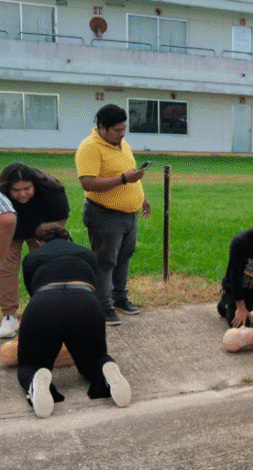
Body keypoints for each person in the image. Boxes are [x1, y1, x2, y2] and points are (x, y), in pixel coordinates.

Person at [18, 223, 131, 418]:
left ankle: (37, 378)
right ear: (67, 236)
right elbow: (95, 284)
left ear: (38, 243)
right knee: (94, 358)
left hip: (45, 302)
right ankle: (105, 370)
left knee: (30, 364)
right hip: (85, 301)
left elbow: (32, 291)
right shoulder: (87, 253)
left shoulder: (32, 257)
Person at [75, 104, 151, 326]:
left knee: (123, 257)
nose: (122, 133)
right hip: (104, 214)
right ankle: (103, 305)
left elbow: (131, 172)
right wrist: (124, 179)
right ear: (102, 128)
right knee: (105, 261)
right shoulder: (89, 147)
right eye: (117, 130)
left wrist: (141, 197)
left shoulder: (121, 143)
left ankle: (120, 297)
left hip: (129, 214)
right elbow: (87, 182)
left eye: (124, 128)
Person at [0, 163, 69, 338]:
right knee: (6, 268)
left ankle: (42, 312)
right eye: (16, 190)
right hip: (12, 229)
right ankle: (9, 316)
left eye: (27, 188)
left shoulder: (51, 189)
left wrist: (46, 235)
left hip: (41, 228)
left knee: (42, 267)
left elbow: (61, 218)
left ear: (34, 184)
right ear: (7, 188)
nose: (22, 194)